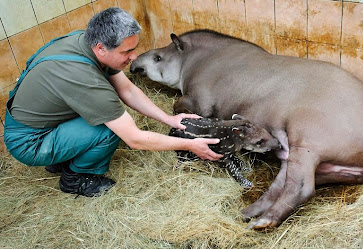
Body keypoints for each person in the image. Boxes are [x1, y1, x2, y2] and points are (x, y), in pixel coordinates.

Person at [4, 7, 222, 197]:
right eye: (127, 51)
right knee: (108, 130)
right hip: (29, 142)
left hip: (44, 123)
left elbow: (126, 89)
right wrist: (191, 145)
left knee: (107, 116)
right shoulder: (84, 79)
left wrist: (170, 120)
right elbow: (134, 139)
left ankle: (61, 158)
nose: (134, 56)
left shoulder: (85, 41)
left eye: (134, 48)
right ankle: (76, 178)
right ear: (101, 47)